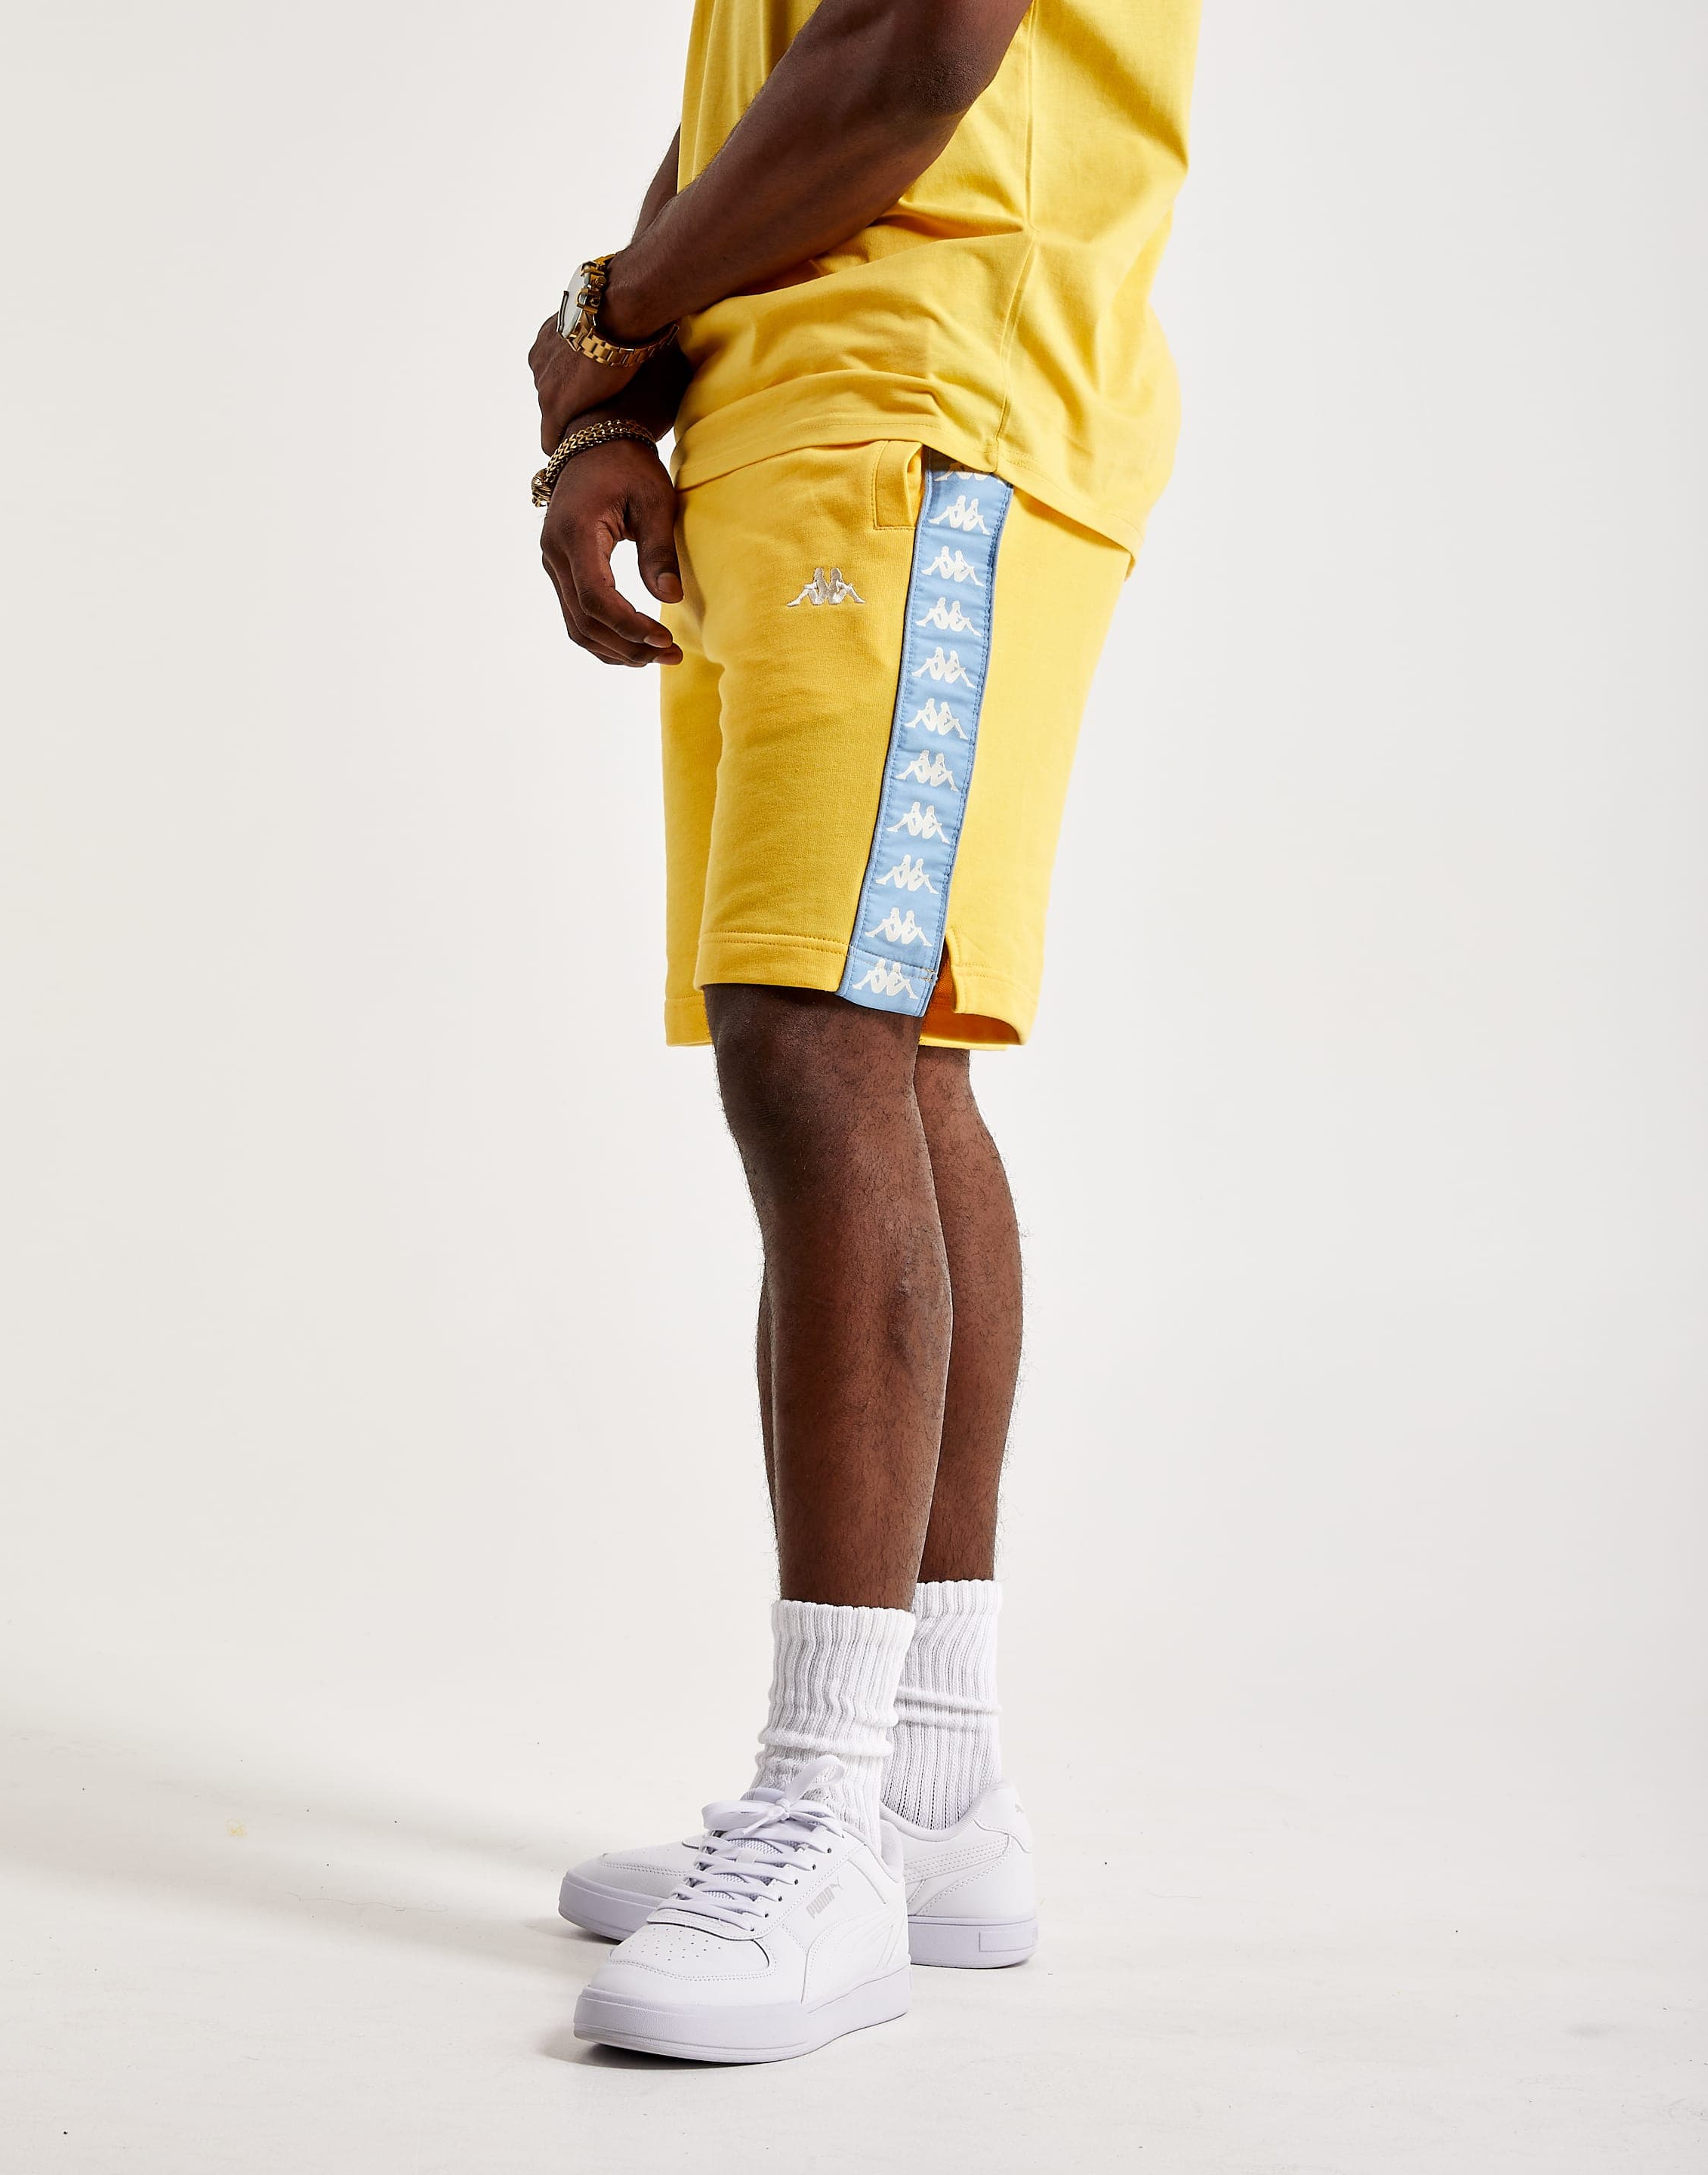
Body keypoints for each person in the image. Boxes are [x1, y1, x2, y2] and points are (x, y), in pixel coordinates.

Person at [529, 0, 1199, 2064]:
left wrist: (609, 314)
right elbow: (768, 88)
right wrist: (620, 392)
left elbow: (912, 51)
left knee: (817, 1037)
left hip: (931, 401)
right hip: (799, 417)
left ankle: (822, 1820)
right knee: (886, 1051)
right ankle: (927, 1786)